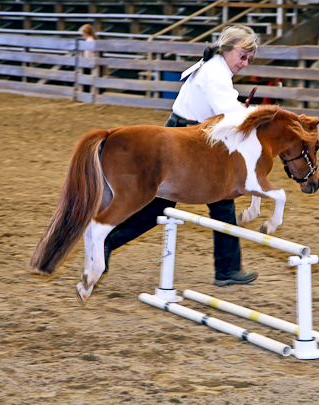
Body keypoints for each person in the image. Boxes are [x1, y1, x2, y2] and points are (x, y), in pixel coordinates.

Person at [103, 24, 259, 287]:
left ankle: (109, 240)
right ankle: (227, 270)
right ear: (227, 48)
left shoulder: (213, 67)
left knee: (163, 204)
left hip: (185, 134)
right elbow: (227, 111)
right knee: (217, 201)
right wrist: (255, 115)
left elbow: (221, 109)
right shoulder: (216, 73)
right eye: (242, 56)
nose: (245, 63)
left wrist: (237, 110)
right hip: (188, 140)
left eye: (249, 59)